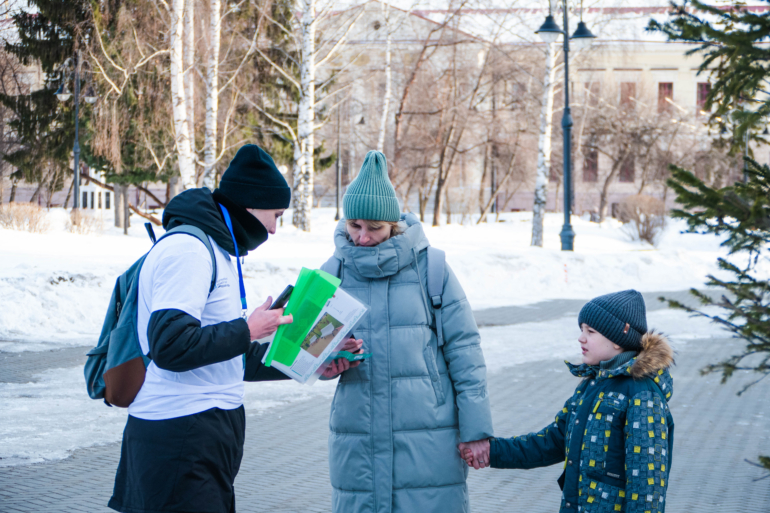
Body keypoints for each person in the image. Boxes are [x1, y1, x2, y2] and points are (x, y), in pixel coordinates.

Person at [108, 144, 356, 513]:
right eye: (275, 215)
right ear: (249, 205)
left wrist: (312, 362)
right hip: (178, 436)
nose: (273, 229)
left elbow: (228, 358)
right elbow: (171, 346)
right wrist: (247, 330)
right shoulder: (189, 251)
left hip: (203, 435)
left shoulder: (217, 249)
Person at [320, 150, 494, 513]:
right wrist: (325, 363)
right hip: (358, 436)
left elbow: (466, 353)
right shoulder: (331, 274)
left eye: (374, 228)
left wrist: (476, 431)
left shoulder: (432, 269)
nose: (363, 238)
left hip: (429, 435)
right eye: (355, 226)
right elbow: (308, 352)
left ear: (394, 225)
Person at [461, 290, 675, 513]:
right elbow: (551, 442)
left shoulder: (642, 394)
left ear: (619, 339)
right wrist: (491, 451)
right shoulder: (591, 386)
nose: (581, 338)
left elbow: (648, 484)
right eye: (581, 330)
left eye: (590, 331)